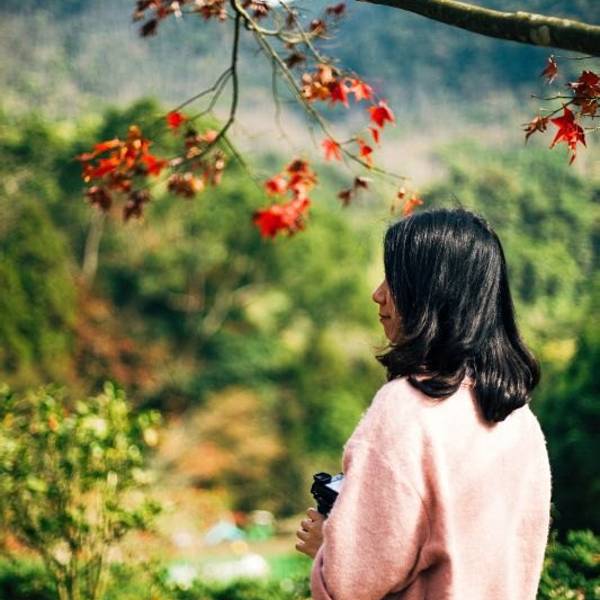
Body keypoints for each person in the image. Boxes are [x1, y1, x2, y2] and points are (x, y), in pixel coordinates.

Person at [295, 208, 552, 599]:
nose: (378, 294)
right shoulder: (519, 419)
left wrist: (326, 548)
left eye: (393, 280)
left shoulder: (407, 408)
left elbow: (351, 584)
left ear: (431, 293)